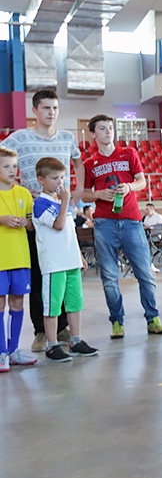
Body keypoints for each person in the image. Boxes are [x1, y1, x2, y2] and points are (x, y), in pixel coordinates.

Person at [2, 89, 84, 353]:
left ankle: (62, 328)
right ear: (35, 110)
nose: (51, 112)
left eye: (55, 108)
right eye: (46, 108)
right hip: (35, 213)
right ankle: (41, 331)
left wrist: (78, 191)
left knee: (64, 272)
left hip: (60, 211)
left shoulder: (66, 138)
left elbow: (79, 163)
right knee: (41, 275)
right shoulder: (19, 138)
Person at [81, 115, 162, 338]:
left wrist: (129, 187)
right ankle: (117, 322)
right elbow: (84, 193)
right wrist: (100, 194)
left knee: (145, 272)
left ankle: (153, 318)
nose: (108, 131)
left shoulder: (129, 153)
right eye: (102, 128)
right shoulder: (90, 164)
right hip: (104, 223)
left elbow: (142, 181)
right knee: (109, 276)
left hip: (131, 220)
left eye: (110, 128)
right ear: (94, 134)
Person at [32, 157, 98, 362]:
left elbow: (70, 230)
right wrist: (66, 202)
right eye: (54, 178)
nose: (59, 182)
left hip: (71, 260)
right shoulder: (40, 204)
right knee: (52, 305)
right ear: (41, 180)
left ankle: (76, 340)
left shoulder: (63, 203)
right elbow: (58, 225)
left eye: (61, 177)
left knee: (75, 303)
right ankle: (52, 345)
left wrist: (78, 255)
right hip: (54, 263)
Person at [0, 147, 38, 371]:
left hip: (21, 257)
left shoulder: (23, 193)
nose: (12, 170)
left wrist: (27, 223)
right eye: (6, 166)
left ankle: (13, 350)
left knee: (17, 302)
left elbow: (34, 225)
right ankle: (1, 352)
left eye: (15, 166)